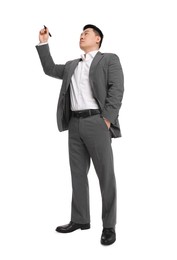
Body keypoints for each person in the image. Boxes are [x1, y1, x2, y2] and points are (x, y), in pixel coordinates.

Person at [36, 24, 124, 246]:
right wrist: (44, 42)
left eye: (87, 33)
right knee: (77, 174)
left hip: (97, 122)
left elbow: (117, 89)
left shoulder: (109, 59)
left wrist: (107, 119)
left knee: (105, 175)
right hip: (74, 124)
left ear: (98, 39)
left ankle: (109, 226)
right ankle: (80, 219)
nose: (82, 35)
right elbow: (48, 68)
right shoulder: (72, 65)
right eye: (81, 33)